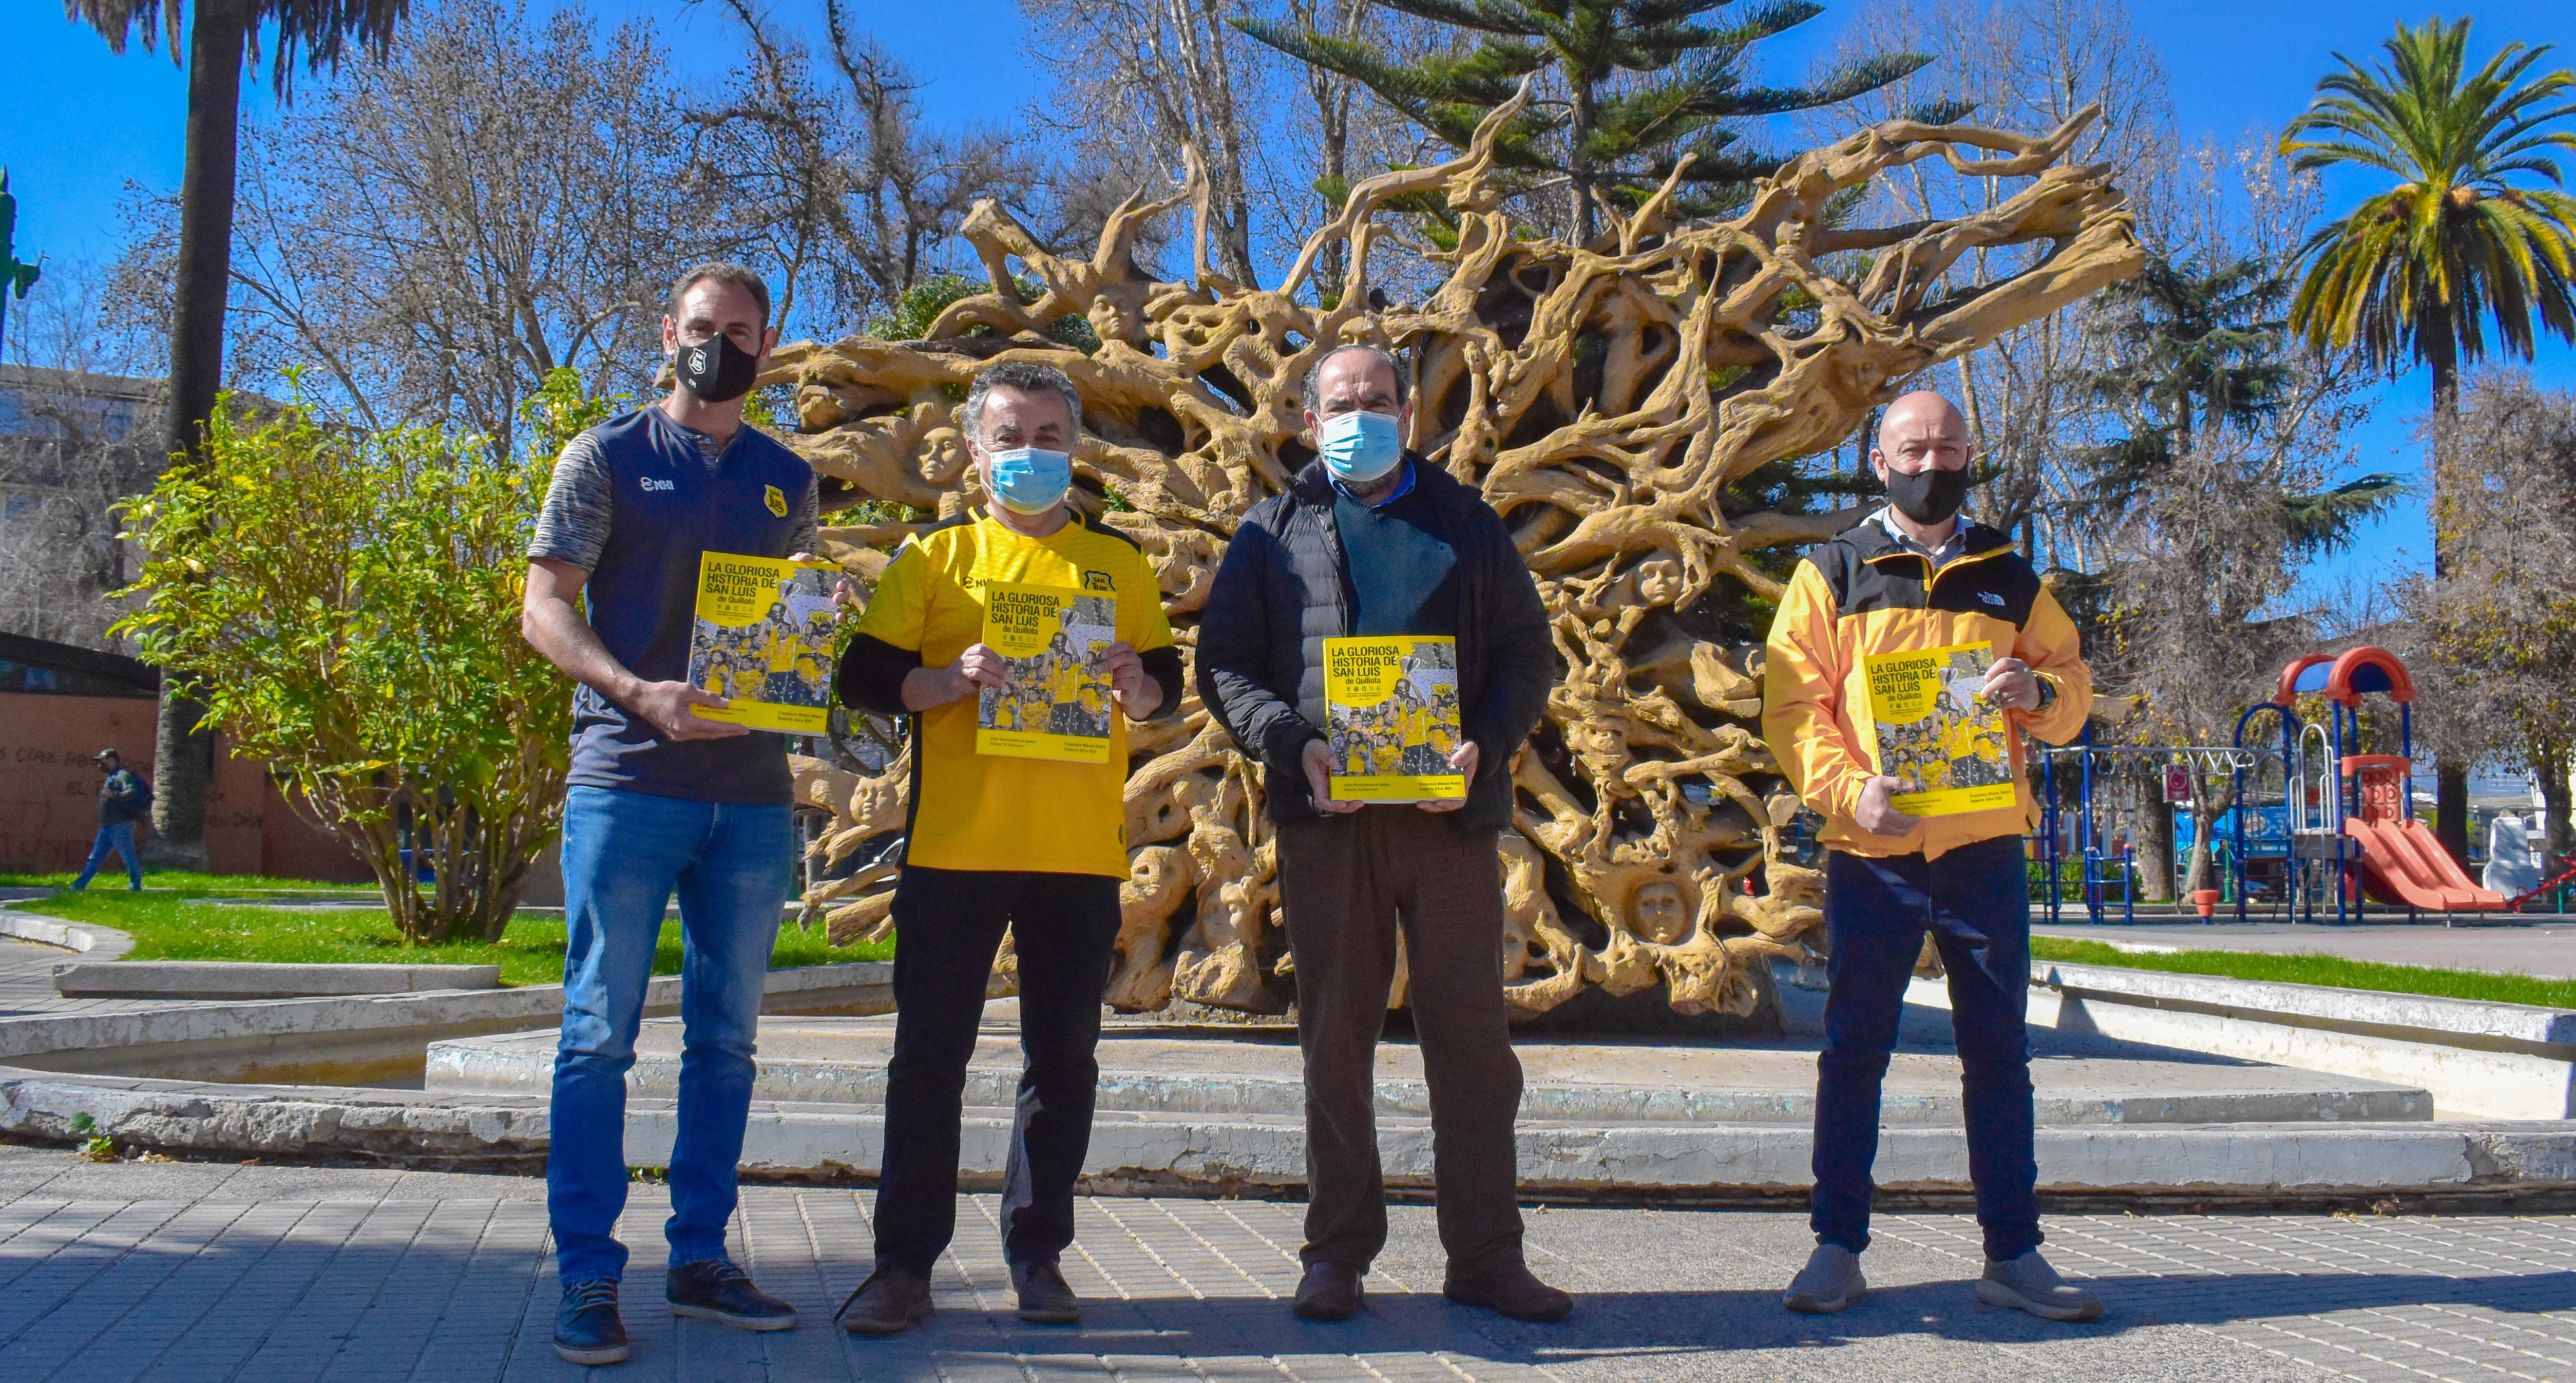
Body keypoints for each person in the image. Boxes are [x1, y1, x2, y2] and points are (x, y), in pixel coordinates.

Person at [1197, 343, 1568, 1324]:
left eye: (1374, 397)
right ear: (1308, 420)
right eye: (1337, 400)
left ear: (1408, 412)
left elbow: (1530, 653)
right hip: (1329, 823)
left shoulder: (1465, 524)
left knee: (1474, 1049)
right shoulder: (1271, 528)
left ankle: (1487, 1254)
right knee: (1333, 1041)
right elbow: (1224, 665)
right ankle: (1336, 1253)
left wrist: (1485, 747)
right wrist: (1293, 746)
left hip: (1450, 824)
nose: (1356, 412)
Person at [831, 360, 1182, 1336]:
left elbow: (1163, 681)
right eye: (1008, 437)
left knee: (1062, 1059)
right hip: (954, 850)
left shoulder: (1115, 563)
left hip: (1077, 854)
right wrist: (940, 680)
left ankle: (1039, 1255)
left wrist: (1137, 687)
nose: (1029, 454)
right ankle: (903, 1266)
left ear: (1074, 449)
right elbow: (864, 675)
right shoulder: (934, 558)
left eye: (1048, 436)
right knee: (927, 1059)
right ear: (974, 455)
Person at [521, 262, 824, 1366]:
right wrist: (635, 689)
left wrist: (812, 635)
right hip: (625, 781)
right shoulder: (604, 457)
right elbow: (543, 604)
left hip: (747, 799)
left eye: (741, 330)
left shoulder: (792, 477)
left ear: (768, 342)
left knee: (727, 1043)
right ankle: (588, 1277)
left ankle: (700, 1257)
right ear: (668, 332)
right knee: (597, 1037)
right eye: (704, 327)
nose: (721, 346)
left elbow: (788, 626)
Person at [1761, 389, 2101, 1322]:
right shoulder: (1830, 571)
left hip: (1983, 847)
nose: (1931, 460)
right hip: (1871, 848)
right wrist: (1845, 790)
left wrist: (2035, 688)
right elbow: (1792, 708)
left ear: (1967, 456)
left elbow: (2073, 687)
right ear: (1880, 461)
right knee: (1852, 1051)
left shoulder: (2007, 573)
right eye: (1912, 446)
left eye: (1948, 445)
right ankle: (1836, 1246)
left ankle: (2013, 1252)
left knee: (1998, 1054)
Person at [71, 750, 148, 892]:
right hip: (107, 826)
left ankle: (136, 886)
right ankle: (78, 886)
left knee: (128, 857)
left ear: (112, 760)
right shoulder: (112, 777)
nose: (100, 764)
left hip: (120, 826)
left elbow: (132, 792)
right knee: (95, 858)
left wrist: (114, 795)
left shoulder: (122, 775)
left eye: (102, 761)